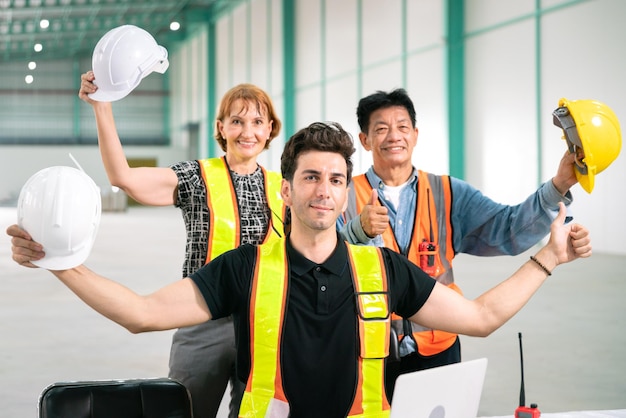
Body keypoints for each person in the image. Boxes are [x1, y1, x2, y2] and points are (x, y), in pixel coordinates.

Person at [7, 121, 592, 418]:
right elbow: (141, 314)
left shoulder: (382, 269)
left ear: (346, 190)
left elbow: (482, 316)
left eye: (336, 179)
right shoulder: (243, 269)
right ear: (286, 190)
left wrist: (548, 257)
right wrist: (61, 263)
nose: (324, 191)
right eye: (311, 177)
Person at [339, 88, 581, 395]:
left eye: (402, 126)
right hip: (368, 348)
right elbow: (322, 256)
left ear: (415, 134)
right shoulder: (342, 195)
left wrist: (558, 185)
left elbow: (507, 228)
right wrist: (357, 230)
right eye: (381, 128)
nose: (393, 136)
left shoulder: (448, 193)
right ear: (365, 140)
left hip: (438, 347)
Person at [79, 73, 285, 418]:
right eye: (237, 121)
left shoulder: (285, 188)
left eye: (257, 122)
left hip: (265, 325)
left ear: (269, 130)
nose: (247, 131)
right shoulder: (196, 177)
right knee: (185, 411)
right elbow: (124, 178)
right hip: (202, 319)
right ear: (221, 128)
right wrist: (102, 107)